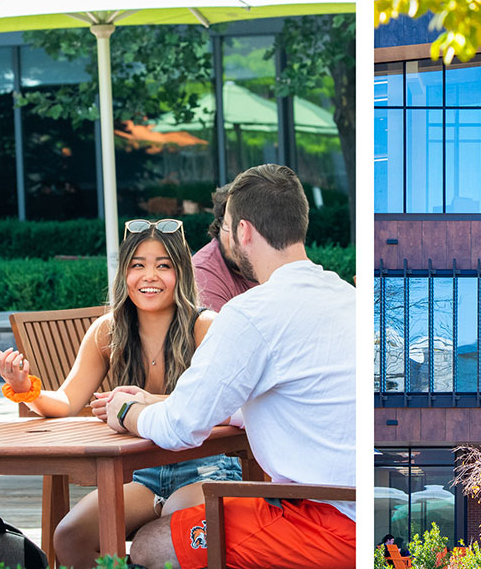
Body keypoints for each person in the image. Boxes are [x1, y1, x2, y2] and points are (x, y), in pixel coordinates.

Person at [103, 164, 356, 569]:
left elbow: (180, 428)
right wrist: (159, 402)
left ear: (243, 231)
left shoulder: (252, 312)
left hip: (326, 522)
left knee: (152, 545)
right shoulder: (347, 297)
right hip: (361, 510)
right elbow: (296, 397)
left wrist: (127, 411)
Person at [0, 219, 238, 569]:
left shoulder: (205, 327)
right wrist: (24, 390)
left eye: (163, 265)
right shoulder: (108, 331)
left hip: (206, 469)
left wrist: (141, 402)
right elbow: (65, 402)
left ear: (181, 272)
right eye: (138, 265)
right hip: (145, 474)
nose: (149, 276)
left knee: (169, 527)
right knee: (69, 536)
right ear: (124, 272)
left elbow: (227, 406)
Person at [192, 183, 258, 310]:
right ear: (219, 224)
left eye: (244, 227)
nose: (238, 238)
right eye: (229, 225)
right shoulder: (202, 273)